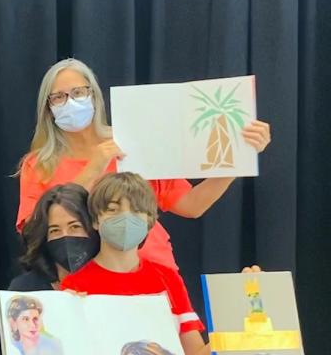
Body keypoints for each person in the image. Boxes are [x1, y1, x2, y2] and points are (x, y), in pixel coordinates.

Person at [17, 58, 272, 270]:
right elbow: (32, 231)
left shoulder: (135, 142)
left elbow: (192, 205)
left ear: (94, 96)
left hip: (153, 269)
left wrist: (240, 156)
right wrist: (93, 168)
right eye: (59, 97)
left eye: (78, 92)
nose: (70, 101)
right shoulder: (39, 164)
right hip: (82, 281)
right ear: (48, 108)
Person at [61, 172, 213, 355]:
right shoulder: (75, 286)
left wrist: (237, 322)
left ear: (150, 220)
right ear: (95, 220)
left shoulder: (167, 278)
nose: (125, 217)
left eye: (136, 210)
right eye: (113, 209)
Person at [9, 184, 99, 291]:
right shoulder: (25, 289)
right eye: (55, 230)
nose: (65, 235)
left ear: (93, 227)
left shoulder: (112, 283)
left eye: (75, 226)